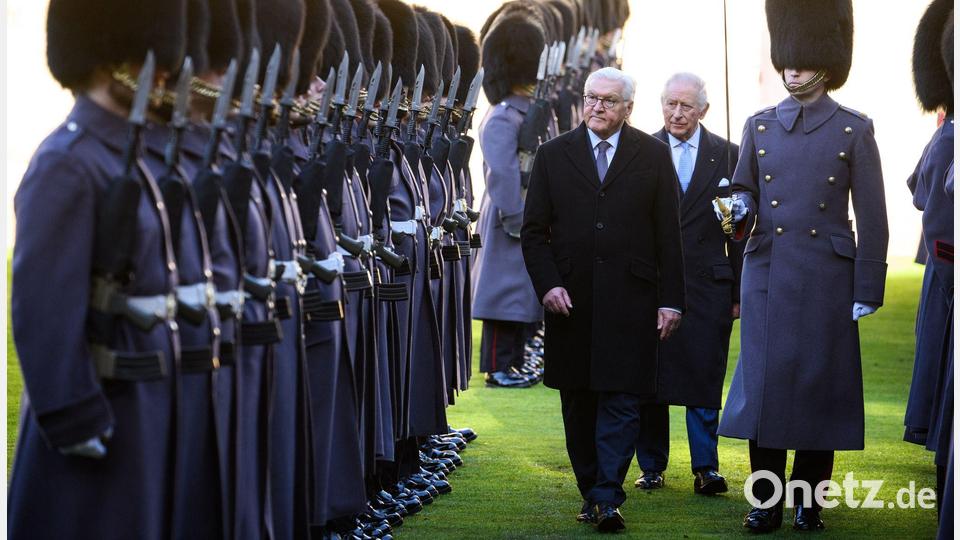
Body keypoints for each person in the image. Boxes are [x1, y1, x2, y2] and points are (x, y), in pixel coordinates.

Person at [8, 1, 187, 538]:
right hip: (99, 416)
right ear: (112, 60)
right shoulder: (69, 161)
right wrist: (73, 414)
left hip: (141, 406)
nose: (164, 72)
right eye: (148, 57)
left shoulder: (123, 157)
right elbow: (43, 306)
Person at [717, 0, 889, 533]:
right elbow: (743, 190)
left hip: (825, 276)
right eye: (786, 61)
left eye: (801, 61)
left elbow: (874, 217)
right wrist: (735, 208)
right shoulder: (760, 126)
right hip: (768, 271)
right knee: (765, 389)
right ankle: (765, 501)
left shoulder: (853, 130)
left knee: (819, 386)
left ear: (826, 64)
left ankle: (808, 501)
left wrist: (868, 285)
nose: (791, 69)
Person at [521, 66, 685, 533]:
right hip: (570, 303)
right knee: (578, 404)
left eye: (609, 101)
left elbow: (668, 236)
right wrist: (548, 284)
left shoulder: (652, 156)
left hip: (632, 302)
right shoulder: (553, 155)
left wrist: (671, 301)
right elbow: (533, 234)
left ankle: (608, 496)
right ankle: (591, 488)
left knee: (622, 400)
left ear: (628, 108)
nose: (597, 106)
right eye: (592, 98)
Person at [633, 72, 742, 495]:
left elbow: (740, 234)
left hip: (708, 284)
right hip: (653, 283)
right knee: (651, 376)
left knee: (703, 371)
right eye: (670, 105)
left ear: (704, 110)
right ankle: (652, 465)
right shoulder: (641, 151)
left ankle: (706, 468)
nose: (677, 114)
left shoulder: (730, 155)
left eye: (686, 107)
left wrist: (737, 294)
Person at [472, 6, 549, 388]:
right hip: (509, 217)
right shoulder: (504, 116)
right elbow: (501, 171)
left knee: (522, 298)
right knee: (504, 299)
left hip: (525, 214)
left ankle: (514, 363)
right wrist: (516, 216)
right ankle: (497, 367)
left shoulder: (527, 112)